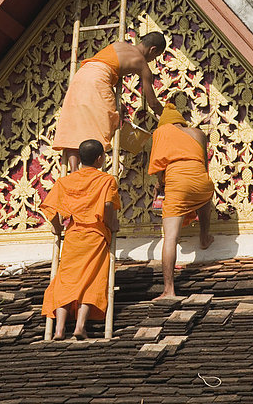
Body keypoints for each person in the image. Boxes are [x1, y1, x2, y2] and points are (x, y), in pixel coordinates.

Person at [41, 139, 121, 340]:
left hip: (73, 236)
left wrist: (58, 228)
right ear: (100, 159)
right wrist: (112, 225)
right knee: (92, 280)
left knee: (65, 280)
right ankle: (80, 326)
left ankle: (59, 329)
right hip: (96, 236)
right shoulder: (107, 180)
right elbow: (109, 206)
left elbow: (50, 208)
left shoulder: (65, 181)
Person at [52, 32, 166, 171]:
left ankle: (74, 170)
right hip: (98, 81)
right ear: (152, 49)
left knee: (75, 124)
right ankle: (87, 172)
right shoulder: (142, 64)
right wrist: (169, 116)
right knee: (99, 126)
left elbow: (105, 66)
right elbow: (152, 102)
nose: (152, 60)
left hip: (81, 75)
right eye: (156, 56)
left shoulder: (119, 44)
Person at [148, 103, 214, 299]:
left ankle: (169, 289)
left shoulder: (161, 133)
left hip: (177, 180)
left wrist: (160, 185)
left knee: (170, 238)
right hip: (200, 178)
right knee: (205, 195)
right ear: (180, 121)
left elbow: (160, 172)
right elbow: (203, 162)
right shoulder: (197, 133)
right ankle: (204, 236)